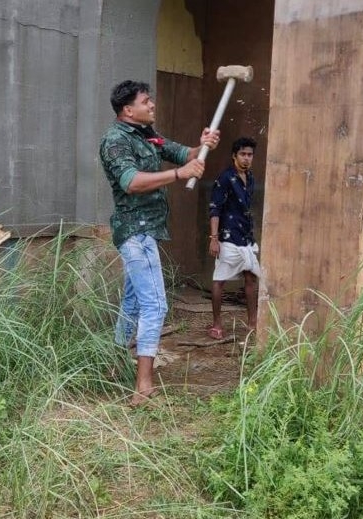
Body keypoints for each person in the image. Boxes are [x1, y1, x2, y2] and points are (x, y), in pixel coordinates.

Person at [99, 80, 220, 407]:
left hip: (146, 229)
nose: (152, 105)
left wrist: (203, 145)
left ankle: (113, 365)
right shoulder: (115, 141)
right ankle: (144, 388)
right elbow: (132, 182)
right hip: (135, 232)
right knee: (156, 305)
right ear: (128, 109)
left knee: (134, 302)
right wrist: (180, 174)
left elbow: (184, 154)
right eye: (146, 101)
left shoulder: (147, 134)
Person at [207, 137, 262, 338]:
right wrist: (214, 238)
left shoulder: (251, 177)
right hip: (228, 236)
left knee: (250, 277)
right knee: (219, 279)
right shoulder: (225, 178)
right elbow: (215, 209)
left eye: (250, 155)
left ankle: (253, 322)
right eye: (243, 154)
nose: (247, 158)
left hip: (246, 235)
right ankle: (216, 325)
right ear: (234, 156)